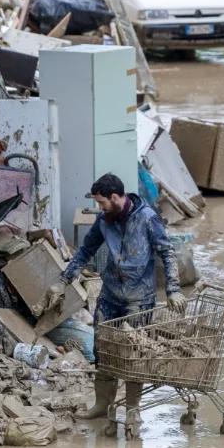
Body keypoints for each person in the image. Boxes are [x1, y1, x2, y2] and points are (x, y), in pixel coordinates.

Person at [49, 173, 184, 424]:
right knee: (104, 349)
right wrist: (62, 282)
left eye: (102, 203)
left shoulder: (147, 218)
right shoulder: (104, 220)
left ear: (115, 197)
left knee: (135, 352)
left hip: (139, 298)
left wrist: (173, 289)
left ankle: (133, 409)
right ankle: (102, 404)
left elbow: (167, 253)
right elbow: (85, 251)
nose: (99, 208)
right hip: (110, 294)